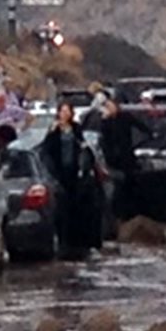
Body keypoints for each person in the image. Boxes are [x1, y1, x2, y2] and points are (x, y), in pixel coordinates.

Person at [42, 102, 102, 259]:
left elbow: (83, 147)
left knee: (77, 207)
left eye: (67, 111)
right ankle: (64, 241)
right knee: (62, 208)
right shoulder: (54, 130)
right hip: (60, 172)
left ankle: (78, 243)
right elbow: (47, 149)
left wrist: (85, 164)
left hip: (74, 173)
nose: (64, 114)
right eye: (62, 111)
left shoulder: (76, 128)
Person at [98, 98, 149, 221]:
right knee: (117, 187)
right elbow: (104, 140)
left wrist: (149, 133)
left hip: (127, 157)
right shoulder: (105, 122)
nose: (110, 109)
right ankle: (119, 214)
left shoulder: (125, 117)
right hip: (113, 160)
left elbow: (140, 126)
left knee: (129, 185)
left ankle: (130, 213)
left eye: (111, 106)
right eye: (107, 107)